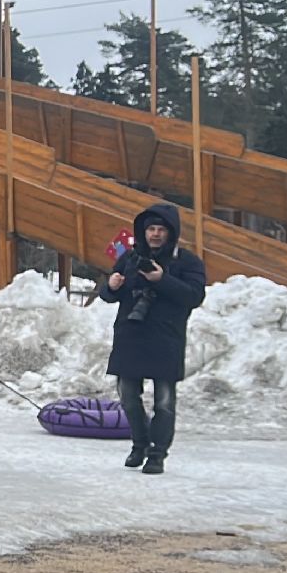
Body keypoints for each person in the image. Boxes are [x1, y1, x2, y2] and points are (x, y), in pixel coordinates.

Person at [98, 203, 206, 474]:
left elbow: (194, 296)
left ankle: (157, 454)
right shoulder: (130, 258)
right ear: (143, 232)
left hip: (165, 340)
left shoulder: (187, 261)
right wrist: (110, 288)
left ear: (171, 233)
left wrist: (162, 279)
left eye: (161, 230)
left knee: (165, 403)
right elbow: (111, 294)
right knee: (128, 397)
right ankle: (139, 444)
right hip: (131, 337)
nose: (156, 234)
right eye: (151, 229)